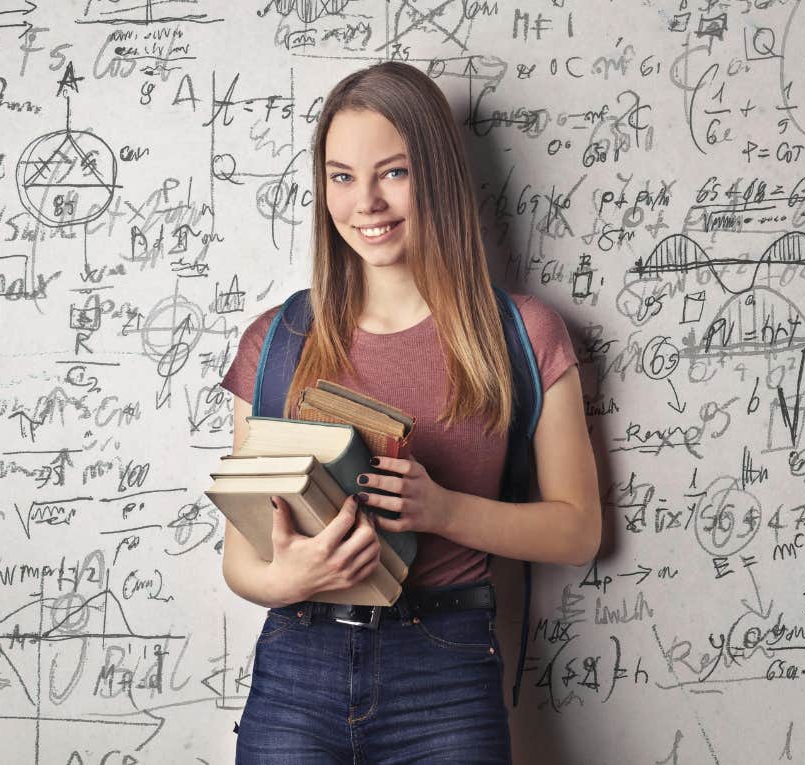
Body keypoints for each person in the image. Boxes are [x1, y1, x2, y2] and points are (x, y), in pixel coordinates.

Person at [216, 61, 602, 764]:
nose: (364, 201)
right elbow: (243, 557)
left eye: (391, 172)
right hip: (296, 666)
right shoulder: (275, 341)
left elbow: (579, 529)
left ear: (437, 175)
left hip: (446, 672)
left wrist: (443, 509)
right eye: (341, 176)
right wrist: (291, 578)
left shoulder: (525, 333)